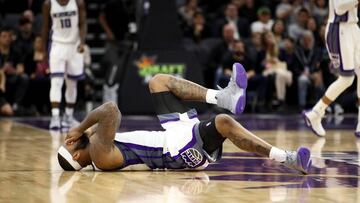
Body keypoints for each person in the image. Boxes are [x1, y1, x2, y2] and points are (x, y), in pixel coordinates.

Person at [57, 63, 312, 174]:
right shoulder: (99, 155)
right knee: (224, 123)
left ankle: (224, 97)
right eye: (69, 144)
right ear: (77, 155)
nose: (71, 140)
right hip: (177, 152)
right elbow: (111, 109)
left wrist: (83, 131)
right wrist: (80, 128)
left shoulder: (99, 151)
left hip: (172, 136)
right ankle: (287, 158)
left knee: (158, 81)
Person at [303, 0, 360, 137]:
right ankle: (316, 113)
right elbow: (340, 8)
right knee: (347, 79)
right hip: (339, 30)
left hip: (353, 28)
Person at [41, 0, 87, 129]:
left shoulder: (78, 3)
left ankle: (68, 116)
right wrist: (43, 50)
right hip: (57, 45)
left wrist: (82, 42)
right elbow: (45, 27)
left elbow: (83, 24)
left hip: (74, 45)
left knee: (72, 83)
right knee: (56, 82)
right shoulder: (48, 4)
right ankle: (55, 117)